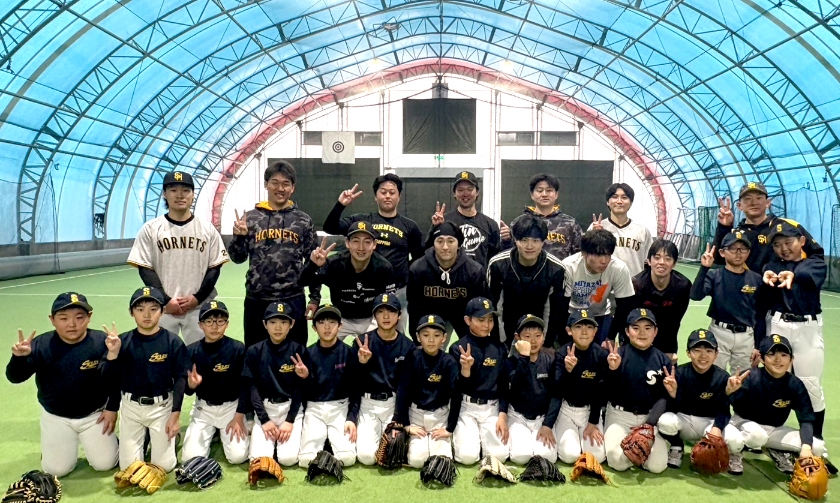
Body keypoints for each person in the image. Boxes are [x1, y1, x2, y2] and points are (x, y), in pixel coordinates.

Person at [5, 292, 119, 476]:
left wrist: (112, 408)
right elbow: (15, 378)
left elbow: (115, 379)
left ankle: (105, 442)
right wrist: (19, 358)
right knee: (56, 470)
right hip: (55, 416)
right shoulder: (40, 345)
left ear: (89, 317)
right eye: (63, 318)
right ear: (52, 320)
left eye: (79, 317)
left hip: (94, 415)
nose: (72, 324)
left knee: (105, 463)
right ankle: (55, 446)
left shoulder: (102, 342)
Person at [128, 171, 229, 345]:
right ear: (164, 194)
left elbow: (214, 268)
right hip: (164, 308)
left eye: (185, 190)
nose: (180, 195)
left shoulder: (207, 229)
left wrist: (197, 298)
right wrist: (166, 300)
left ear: (193, 195)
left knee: (200, 356)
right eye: (173, 190)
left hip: (198, 308)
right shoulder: (150, 229)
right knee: (160, 355)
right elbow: (145, 268)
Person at [228, 161, 319, 347]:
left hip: (293, 298)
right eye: (275, 183)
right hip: (257, 298)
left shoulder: (303, 220)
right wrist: (238, 237)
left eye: (286, 184)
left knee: (296, 353)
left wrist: (315, 297)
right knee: (255, 352)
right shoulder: (250, 219)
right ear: (266, 184)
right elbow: (237, 259)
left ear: (293, 188)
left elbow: (314, 262)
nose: (280, 188)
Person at [103, 287, 189, 472]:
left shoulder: (173, 342)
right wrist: (113, 354)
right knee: (129, 468)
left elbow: (180, 380)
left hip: (161, 407)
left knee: (164, 467)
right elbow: (109, 379)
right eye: (140, 309)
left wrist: (175, 415)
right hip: (131, 407)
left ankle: (170, 438)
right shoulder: (121, 342)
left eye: (153, 309)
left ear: (162, 311)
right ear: (131, 312)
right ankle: (146, 437)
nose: (147, 315)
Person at [324, 174, 424, 333]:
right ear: (375, 196)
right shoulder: (362, 222)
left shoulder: (410, 226)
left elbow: (420, 258)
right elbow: (330, 227)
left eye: (392, 192)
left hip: (397, 292)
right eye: (383, 192)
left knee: (394, 339)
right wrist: (340, 205)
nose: (387, 196)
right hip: (365, 291)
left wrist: (403, 271)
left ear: (399, 197)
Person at [761, 220, 828, 442]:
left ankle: (815, 440)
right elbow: (768, 268)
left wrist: (793, 276)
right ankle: (766, 433)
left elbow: (806, 273)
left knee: (810, 383)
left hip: (807, 329)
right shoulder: (774, 265)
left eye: (788, 242)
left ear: (802, 241)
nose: (784, 248)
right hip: (778, 325)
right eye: (777, 245)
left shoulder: (815, 264)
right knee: (773, 379)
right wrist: (768, 272)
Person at [728, 335, 825, 473]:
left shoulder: (795, 384)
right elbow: (733, 404)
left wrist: (806, 448)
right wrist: (730, 392)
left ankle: (778, 449)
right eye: (772, 354)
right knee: (757, 436)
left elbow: (806, 419)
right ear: (762, 359)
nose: (778, 359)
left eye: (784, 355)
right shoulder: (750, 377)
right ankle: (733, 452)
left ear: (791, 359)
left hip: (774, 430)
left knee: (817, 446)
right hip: (743, 424)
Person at [656, 329, 744, 474]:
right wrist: (673, 394)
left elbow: (724, 410)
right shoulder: (679, 373)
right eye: (697, 350)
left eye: (709, 351)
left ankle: (733, 455)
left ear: (716, 354)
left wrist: (717, 427)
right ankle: (677, 445)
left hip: (710, 424)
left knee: (736, 440)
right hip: (685, 422)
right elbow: (671, 409)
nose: (703, 356)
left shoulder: (722, 377)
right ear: (688, 353)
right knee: (665, 421)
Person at [299, 222, 395, 341]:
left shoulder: (383, 267)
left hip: (371, 319)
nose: (361, 247)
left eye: (367, 242)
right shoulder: (334, 264)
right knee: (325, 347)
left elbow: (389, 301)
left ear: (374, 245)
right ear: (347, 243)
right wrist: (313, 265)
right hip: (341, 318)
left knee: (381, 347)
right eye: (355, 241)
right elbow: (303, 281)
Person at [603, 308, 671, 473]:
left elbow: (663, 397)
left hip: (648, 418)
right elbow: (605, 391)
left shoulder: (663, 360)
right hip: (619, 416)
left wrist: (649, 425)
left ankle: (653, 447)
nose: (642, 332)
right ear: (627, 332)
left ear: (655, 332)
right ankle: (636, 451)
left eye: (648, 328)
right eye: (636, 328)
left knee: (657, 467)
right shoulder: (617, 355)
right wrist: (613, 370)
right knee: (618, 462)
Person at [181, 300, 249, 465]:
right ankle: (212, 431)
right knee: (190, 458)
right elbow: (188, 391)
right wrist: (191, 385)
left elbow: (245, 385)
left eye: (220, 321)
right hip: (204, 409)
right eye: (209, 321)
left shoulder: (237, 348)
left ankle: (231, 428)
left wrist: (239, 416)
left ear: (227, 324)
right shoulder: (191, 350)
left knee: (238, 457)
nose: (215, 326)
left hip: (230, 408)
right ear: (200, 325)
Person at [351, 293, 416, 465]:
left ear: (399, 315)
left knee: (396, 450)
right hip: (368, 404)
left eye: (391, 311)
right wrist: (362, 363)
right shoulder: (362, 342)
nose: (386, 316)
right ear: (374, 315)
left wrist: (399, 418)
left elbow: (404, 386)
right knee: (366, 457)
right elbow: (354, 382)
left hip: (392, 404)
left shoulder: (407, 346)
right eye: (380, 311)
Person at [242, 301, 308, 466]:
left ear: (292, 324)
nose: (278, 327)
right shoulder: (254, 351)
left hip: (291, 408)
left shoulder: (299, 351)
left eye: (283, 322)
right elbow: (252, 388)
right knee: (259, 461)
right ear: (265, 324)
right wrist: (264, 420)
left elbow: (300, 389)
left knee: (288, 459)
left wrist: (290, 420)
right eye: (272, 322)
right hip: (266, 409)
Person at [487, 215, 566, 347]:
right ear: (515, 240)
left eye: (535, 240)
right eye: (524, 240)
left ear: (543, 242)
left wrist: (545, 343)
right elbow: (494, 308)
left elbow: (554, 312)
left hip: (539, 334)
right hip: (506, 333)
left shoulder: (556, 269)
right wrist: (500, 344)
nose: (530, 246)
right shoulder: (498, 265)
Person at [393, 314, 461, 468]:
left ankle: (444, 445)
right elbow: (402, 391)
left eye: (436, 335)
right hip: (417, 416)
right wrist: (407, 425)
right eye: (425, 335)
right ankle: (413, 444)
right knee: (417, 461)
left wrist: (449, 428)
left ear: (444, 338)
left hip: (440, 417)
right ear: (418, 337)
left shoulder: (449, 361)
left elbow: (456, 395)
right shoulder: (412, 357)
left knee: (442, 461)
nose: (431, 340)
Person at [448, 297, 510, 464]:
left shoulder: (500, 348)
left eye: (490, 320)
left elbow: (504, 384)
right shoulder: (457, 348)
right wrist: (465, 370)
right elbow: (455, 388)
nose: (486, 325)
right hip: (466, 407)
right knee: (467, 457)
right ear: (467, 320)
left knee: (500, 456)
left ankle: (483, 441)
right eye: (481, 320)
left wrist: (502, 415)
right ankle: (473, 440)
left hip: (491, 408)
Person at [690, 233, 762, 373]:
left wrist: (758, 344)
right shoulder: (715, 275)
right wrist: (704, 268)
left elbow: (760, 313)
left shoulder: (756, 279)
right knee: (714, 374)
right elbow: (695, 295)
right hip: (719, 332)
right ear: (722, 252)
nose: (738, 253)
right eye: (733, 248)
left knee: (743, 377)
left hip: (746, 336)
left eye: (743, 249)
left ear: (748, 252)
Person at [297, 305, 359, 468]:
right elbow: (303, 393)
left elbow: (355, 389)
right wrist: (304, 378)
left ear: (340, 326)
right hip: (314, 408)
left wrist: (352, 418)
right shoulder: (307, 354)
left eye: (332, 322)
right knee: (306, 460)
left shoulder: (349, 352)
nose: (327, 327)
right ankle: (325, 442)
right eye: (321, 322)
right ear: (314, 327)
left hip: (340, 407)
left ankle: (328, 442)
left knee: (347, 458)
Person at [713, 181, 823, 271]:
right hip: (749, 290)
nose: (753, 202)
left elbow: (817, 256)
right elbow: (718, 259)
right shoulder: (735, 234)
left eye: (759, 198)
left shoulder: (789, 226)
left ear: (768, 203)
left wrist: (796, 274)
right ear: (739, 205)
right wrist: (724, 227)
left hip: (784, 290)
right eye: (748, 199)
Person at [408, 222, 488, 342]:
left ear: (459, 244)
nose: (445, 247)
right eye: (440, 241)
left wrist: (476, 341)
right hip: (430, 312)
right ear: (433, 244)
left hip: (461, 313)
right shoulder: (418, 269)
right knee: (429, 348)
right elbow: (414, 307)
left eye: (450, 241)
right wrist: (417, 340)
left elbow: (478, 309)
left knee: (469, 346)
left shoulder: (474, 271)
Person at [548, 309, 608, 464]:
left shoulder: (601, 355)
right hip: (566, 410)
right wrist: (568, 371)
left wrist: (593, 422)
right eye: (578, 327)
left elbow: (601, 392)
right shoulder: (562, 353)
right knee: (570, 455)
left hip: (589, 411)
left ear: (595, 331)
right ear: (569, 330)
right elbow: (556, 390)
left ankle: (584, 438)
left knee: (597, 457)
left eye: (589, 327)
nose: (584, 332)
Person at [561, 229, 635, 344]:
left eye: (608, 255)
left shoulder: (619, 268)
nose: (604, 261)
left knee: (602, 351)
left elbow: (624, 307)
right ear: (584, 253)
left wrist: (611, 337)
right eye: (598, 255)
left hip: (600, 314)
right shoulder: (569, 266)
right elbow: (561, 306)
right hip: (572, 314)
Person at [505, 315, 557, 464]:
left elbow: (556, 395)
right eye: (527, 336)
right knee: (521, 457)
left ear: (544, 337)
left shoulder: (551, 360)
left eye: (537, 336)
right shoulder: (511, 362)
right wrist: (524, 357)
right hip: (518, 416)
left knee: (547, 457)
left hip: (542, 418)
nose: (533, 341)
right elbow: (516, 387)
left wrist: (547, 425)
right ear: (517, 338)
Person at [630, 239, 691, 363]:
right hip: (639, 337)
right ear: (649, 261)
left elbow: (675, 321)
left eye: (668, 259)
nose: (661, 262)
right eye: (657, 258)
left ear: (674, 263)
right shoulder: (637, 284)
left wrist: (669, 349)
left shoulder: (683, 286)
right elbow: (629, 319)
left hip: (666, 339)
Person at [426, 171, 501, 269]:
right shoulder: (445, 221)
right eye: (460, 190)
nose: (465, 194)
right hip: (451, 277)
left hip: (479, 277)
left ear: (477, 192)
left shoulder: (490, 224)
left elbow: (496, 259)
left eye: (470, 189)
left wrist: (507, 241)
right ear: (455, 194)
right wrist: (434, 227)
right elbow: (428, 252)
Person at [501, 173, 582, 260]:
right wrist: (506, 240)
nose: (544, 194)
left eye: (549, 190)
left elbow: (580, 256)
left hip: (559, 268)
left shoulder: (570, 223)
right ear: (532, 195)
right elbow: (509, 255)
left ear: (556, 194)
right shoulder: (520, 222)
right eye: (539, 191)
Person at [590, 183, 653, 277]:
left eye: (624, 197)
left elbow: (649, 262)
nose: (619, 201)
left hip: (634, 284)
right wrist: (594, 237)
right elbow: (587, 259)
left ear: (631, 202)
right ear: (608, 202)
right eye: (615, 197)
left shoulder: (642, 231)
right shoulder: (596, 227)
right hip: (604, 283)